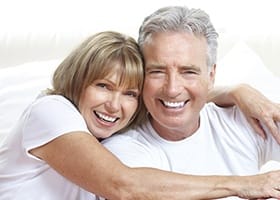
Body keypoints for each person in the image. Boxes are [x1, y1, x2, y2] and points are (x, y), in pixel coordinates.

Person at [0, 31, 279, 200]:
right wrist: (245, 185)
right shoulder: (51, 111)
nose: (114, 105)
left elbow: (170, 99)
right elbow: (123, 186)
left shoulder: (109, 130)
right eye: (103, 86)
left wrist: (235, 90)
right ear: (77, 81)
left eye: (130, 94)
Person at [102, 6, 280, 200]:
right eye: (157, 71)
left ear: (211, 76)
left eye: (188, 72)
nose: (172, 89)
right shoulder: (121, 153)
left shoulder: (243, 121)